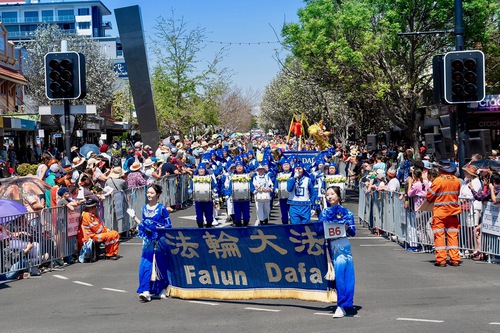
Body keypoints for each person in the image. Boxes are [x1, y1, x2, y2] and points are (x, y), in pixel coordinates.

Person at [128, 184, 172, 302]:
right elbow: (143, 224)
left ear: (157, 194)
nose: (149, 195)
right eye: (148, 193)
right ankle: (145, 290)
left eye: (152, 193)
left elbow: (169, 224)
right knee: (145, 264)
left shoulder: (161, 208)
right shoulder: (144, 208)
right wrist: (134, 218)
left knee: (159, 264)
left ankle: (162, 288)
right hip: (147, 241)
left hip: (159, 240)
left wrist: (158, 228)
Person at [318, 186, 356, 318]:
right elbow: (318, 231)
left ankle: (343, 305)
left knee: (343, 276)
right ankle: (341, 302)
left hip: (342, 246)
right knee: (333, 277)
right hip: (329, 247)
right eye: (328, 194)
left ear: (338, 196)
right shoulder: (324, 213)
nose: (330, 197)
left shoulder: (347, 213)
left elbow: (353, 232)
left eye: (332, 194)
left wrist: (346, 227)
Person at [426, 159, 461, 267]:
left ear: (440, 169)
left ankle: (441, 260)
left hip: (440, 212)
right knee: (453, 235)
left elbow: (429, 196)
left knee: (439, 235)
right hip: (453, 212)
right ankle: (455, 259)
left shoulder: (438, 181)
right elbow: (457, 194)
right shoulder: (456, 180)